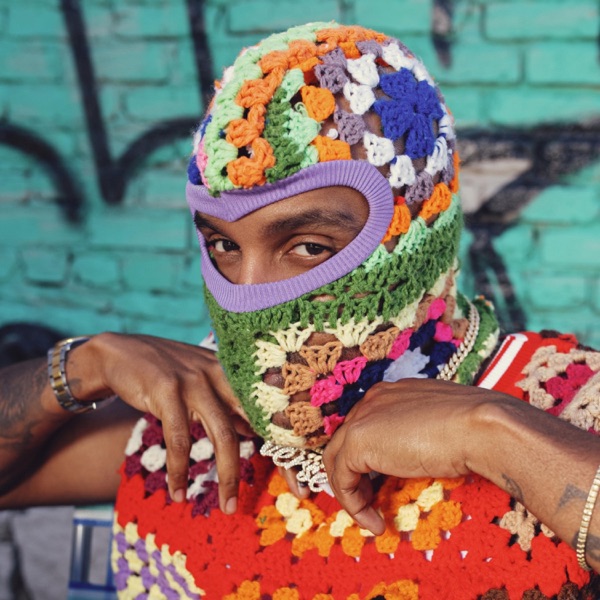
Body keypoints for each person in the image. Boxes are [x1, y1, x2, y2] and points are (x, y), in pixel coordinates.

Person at [1, 21, 600, 599]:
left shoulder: (563, 402)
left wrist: (491, 433)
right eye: (224, 246)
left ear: (414, 234)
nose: (249, 295)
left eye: (308, 247)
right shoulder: (201, 424)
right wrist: (82, 366)